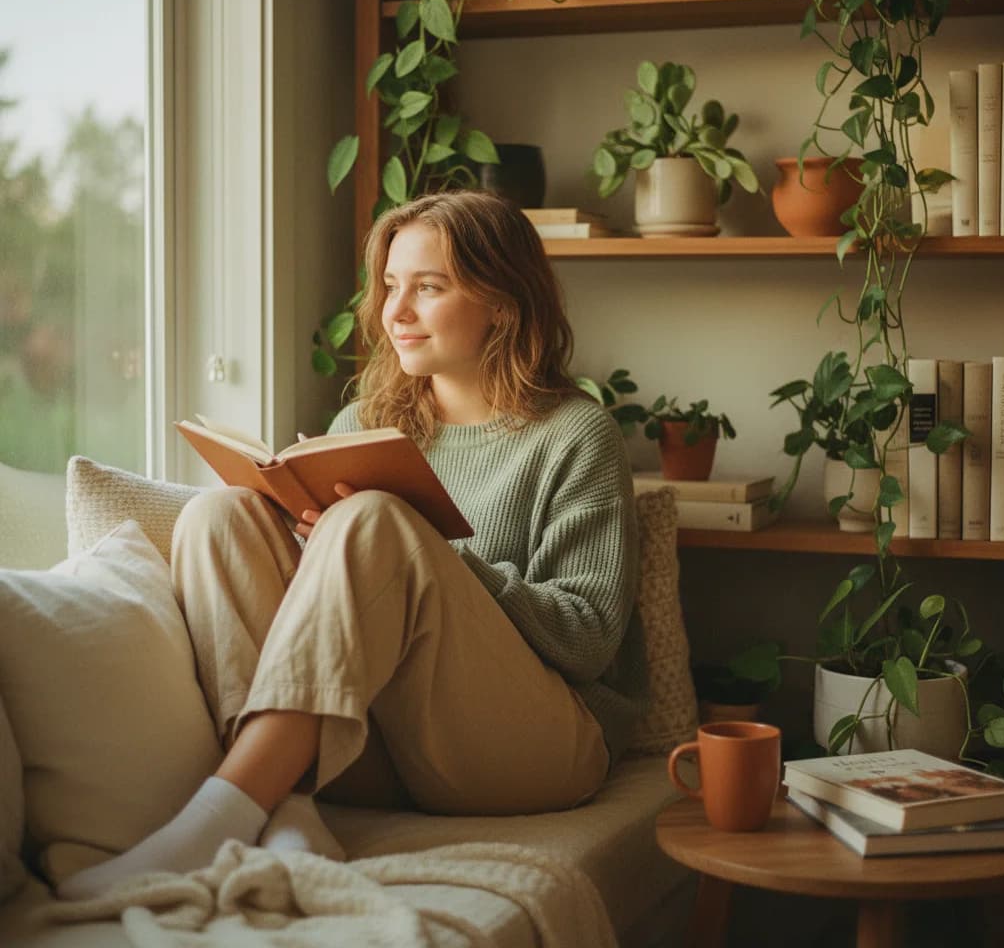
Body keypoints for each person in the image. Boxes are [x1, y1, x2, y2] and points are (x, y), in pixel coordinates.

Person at [58, 190, 647, 900]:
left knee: (374, 519)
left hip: (534, 748)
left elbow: (589, 640)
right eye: (392, 286)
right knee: (220, 516)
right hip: (378, 741)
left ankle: (213, 819)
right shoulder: (366, 422)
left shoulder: (576, 435)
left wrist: (431, 552)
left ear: (502, 301)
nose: (395, 313)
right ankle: (290, 805)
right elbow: (336, 618)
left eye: (428, 288)